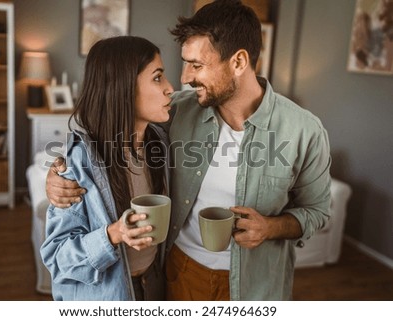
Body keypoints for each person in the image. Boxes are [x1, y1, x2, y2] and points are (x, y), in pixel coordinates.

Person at [45, 0, 331, 301]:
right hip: (178, 275)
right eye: (184, 63)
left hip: (255, 286)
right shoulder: (178, 110)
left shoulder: (304, 130)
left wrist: (271, 227)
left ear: (238, 62)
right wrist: (58, 174)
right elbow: (103, 118)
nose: (183, 79)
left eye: (197, 65)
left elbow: (317, 211)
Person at [40, 36, 174, 301]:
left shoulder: (159, 140)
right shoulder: (78, 162)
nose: (170, 88)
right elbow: (57, 258)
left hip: (154, 286)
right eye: (157, 78)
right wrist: (114, 234)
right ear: (123, 88)